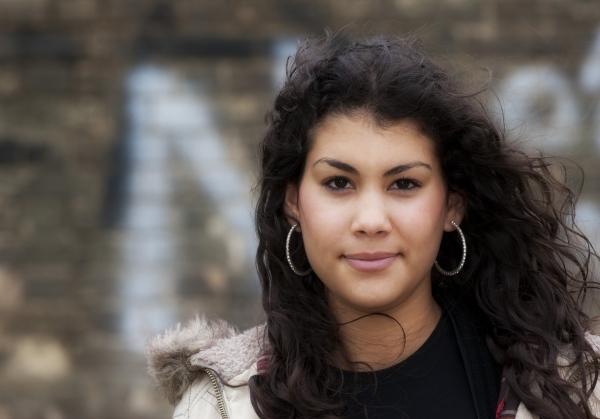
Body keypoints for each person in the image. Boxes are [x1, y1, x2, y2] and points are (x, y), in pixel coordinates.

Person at [146, 32, 600, 419]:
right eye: (338, 182)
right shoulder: (222, 403)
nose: (370, 221)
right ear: (293, 204)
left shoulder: (571, 391)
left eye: (404, 184)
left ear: (452, 207)